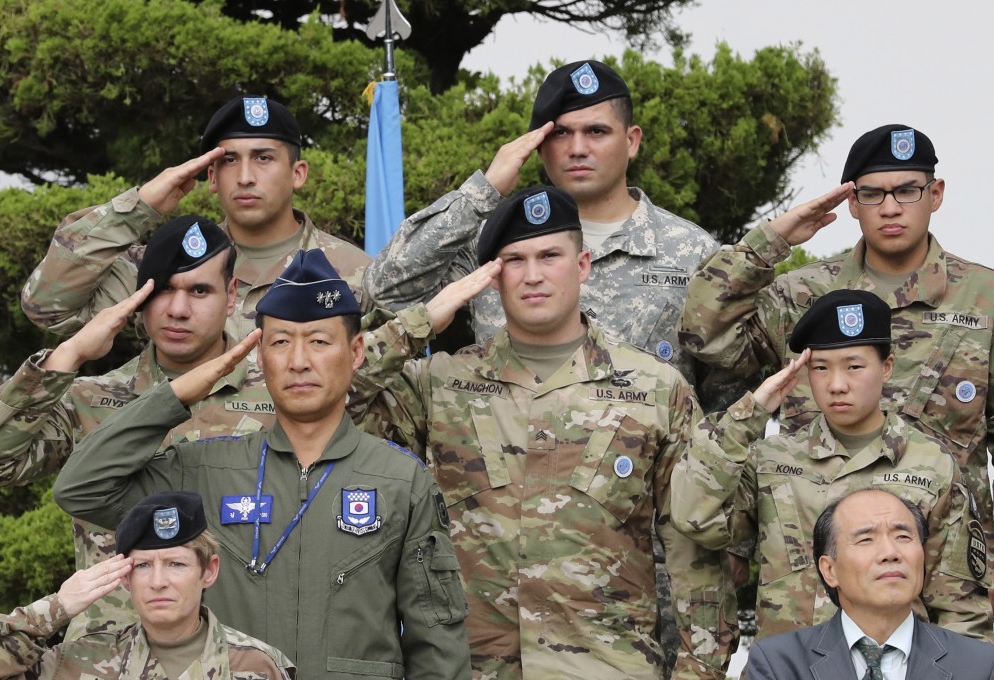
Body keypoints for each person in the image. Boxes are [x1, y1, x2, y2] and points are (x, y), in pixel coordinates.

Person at [363, 59, 735, 678]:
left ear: (632, 140)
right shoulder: (486, 245)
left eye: (596, 131)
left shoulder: (692, 253)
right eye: (560, 133)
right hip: (491, 610)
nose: (577, 148)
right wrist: (483, 191)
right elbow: (382, 291)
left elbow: (721, 409)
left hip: (626, 608)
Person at [53, 249, 471, 680]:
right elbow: (82, 489)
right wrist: (176, 395)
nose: (299, 361)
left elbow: (437, 645)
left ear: (356, 351)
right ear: (260, 355)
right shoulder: (205, 471)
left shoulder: (401, 479)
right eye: (280, 342)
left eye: (319, 341)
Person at [678, 124, 994, 568]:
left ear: (935, 194)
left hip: (943, 568)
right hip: (815, 567)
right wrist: (771, 240)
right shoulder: (802, 295)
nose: (890, 208)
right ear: (852, 203)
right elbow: (704, 333)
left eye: (907, 191)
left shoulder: (984, 299)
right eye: (872, 194)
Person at [0, 215, 276, 641]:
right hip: (110, 653)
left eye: (199, 291)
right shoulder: (92, 399)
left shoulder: (280, 395)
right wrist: (69, 354)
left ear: (231, 296)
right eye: (164, 289)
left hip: (240, 651)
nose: (178, 309)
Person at [671, 289, 992, 643]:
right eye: (821, 368)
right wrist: (750, 413)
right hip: (789, 664)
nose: (837, 385)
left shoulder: (931, 465)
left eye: (854, 367)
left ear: (887, 367)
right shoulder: (772, 459)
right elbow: (693, 516)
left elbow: (961, 608)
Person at [21, 95, 372, 343]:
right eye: (229, 160)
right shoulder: (166, 264)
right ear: (212, 177)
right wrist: (139, 206)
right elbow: (48, 307)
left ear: (298, 173)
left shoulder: (355, 273)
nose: (245, 177)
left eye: (263, 158)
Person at [0, 490, 295, 679]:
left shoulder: (259, 665)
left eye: (176, 564)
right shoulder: (78, 662)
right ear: (125, 578)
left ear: (208, 571)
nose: (158, 582)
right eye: (143, 566)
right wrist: (55, 608)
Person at [745, 489, 994, 680]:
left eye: (903, 536)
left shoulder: (979, 664)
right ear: (829, 570)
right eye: (866, 539)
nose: (890, 552)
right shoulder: (779, 664)